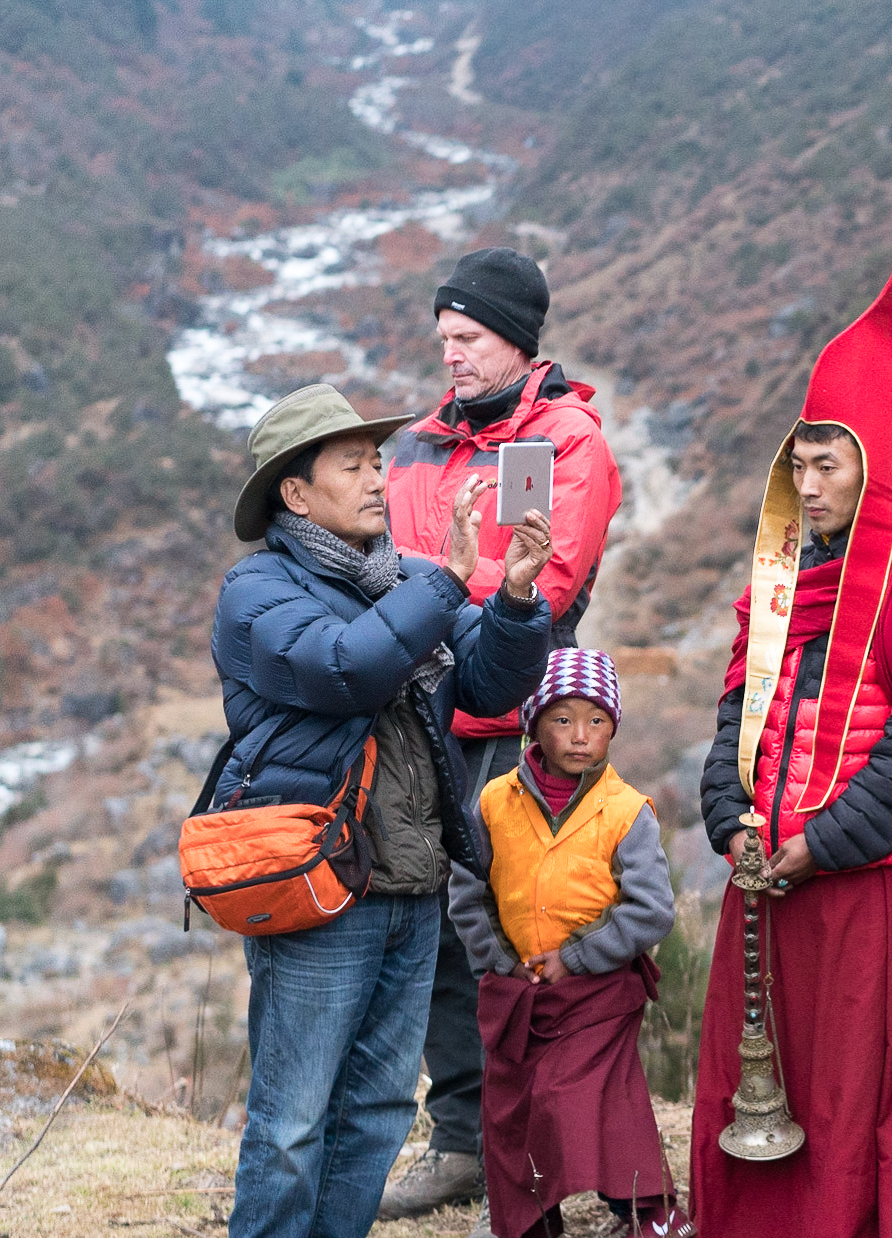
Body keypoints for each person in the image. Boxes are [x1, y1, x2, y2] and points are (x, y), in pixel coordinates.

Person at [211, 384, 552, 1238]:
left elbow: (487, 683)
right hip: (319, 884)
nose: (378, 479)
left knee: (379, 1110)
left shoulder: (397, 580)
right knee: (293, 1122)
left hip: (409, 877)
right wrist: (446, 579)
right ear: (296, 493)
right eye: (354, 465)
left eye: (378, 461)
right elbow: (345, 668)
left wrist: (509, 600)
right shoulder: (256, 591)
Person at [690, 270, 892, 1238]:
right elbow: (734, 718)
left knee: (847, 1092)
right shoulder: (780, 573)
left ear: (872, 461)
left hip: (852, 883)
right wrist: (725, 818)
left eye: (827, 465)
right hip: (761, 879)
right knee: (752, 1077)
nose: (808, 487)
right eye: (799, 467)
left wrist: (822, 842)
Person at [379, 246, 623, 1226]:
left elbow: (534, 586)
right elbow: (381, 571)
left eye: (467, 337)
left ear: (516, 337)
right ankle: (460, 1139)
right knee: (439, 926)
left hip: (513, 723)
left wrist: (429, 604)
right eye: (442, 338)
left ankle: (543, 1150)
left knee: (525, 933)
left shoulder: (560, 442)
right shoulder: (419, 445)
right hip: (420, 720)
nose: (451, 356)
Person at [449, 648, 694, 1238]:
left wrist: (578, 956)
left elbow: (652, 910)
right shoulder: (491, 803)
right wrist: (502, 963)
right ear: (533, 722)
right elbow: (466, 894)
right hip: (516, 990)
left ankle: (650, 1215)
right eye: (563, 719)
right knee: (513, 1107)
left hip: (599, 990)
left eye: (596, 721)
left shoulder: (626, 812)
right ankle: (531, 1221)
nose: (580, 736)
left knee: (579, 1097)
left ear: (613, 727)